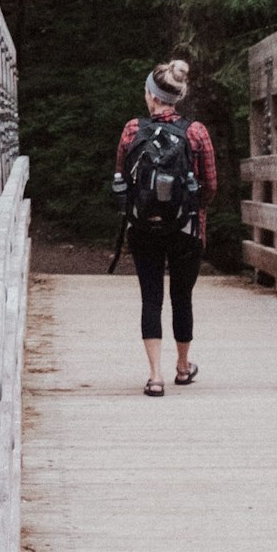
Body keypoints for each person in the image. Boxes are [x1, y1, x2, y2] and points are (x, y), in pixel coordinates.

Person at [115, 59, 217, 396]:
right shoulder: (196, 132)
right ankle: (183, 367)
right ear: (178, 97)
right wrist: (191, 210)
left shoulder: (133, 129)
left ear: (150, 95)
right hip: (186, 228)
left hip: (144, 227)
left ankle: (155, 376)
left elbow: (122, 176)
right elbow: (211, 185)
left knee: (151, 299)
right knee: (182, 297)